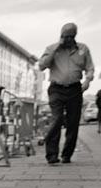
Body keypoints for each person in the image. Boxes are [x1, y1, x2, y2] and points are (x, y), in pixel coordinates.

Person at [37, 22, 95, 164]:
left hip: (75, 89)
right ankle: (51, 155)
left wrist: (87, 81)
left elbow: (90, 68)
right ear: (61, 35)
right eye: (64, 36)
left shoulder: (83, 49)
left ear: (75, 36)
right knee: (56, 120)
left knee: (73, 123)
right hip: (56, 88)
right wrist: (56, 48)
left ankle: (66, 155)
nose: (67, 39)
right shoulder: (51, 48)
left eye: (70, 36)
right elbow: (42, 65)